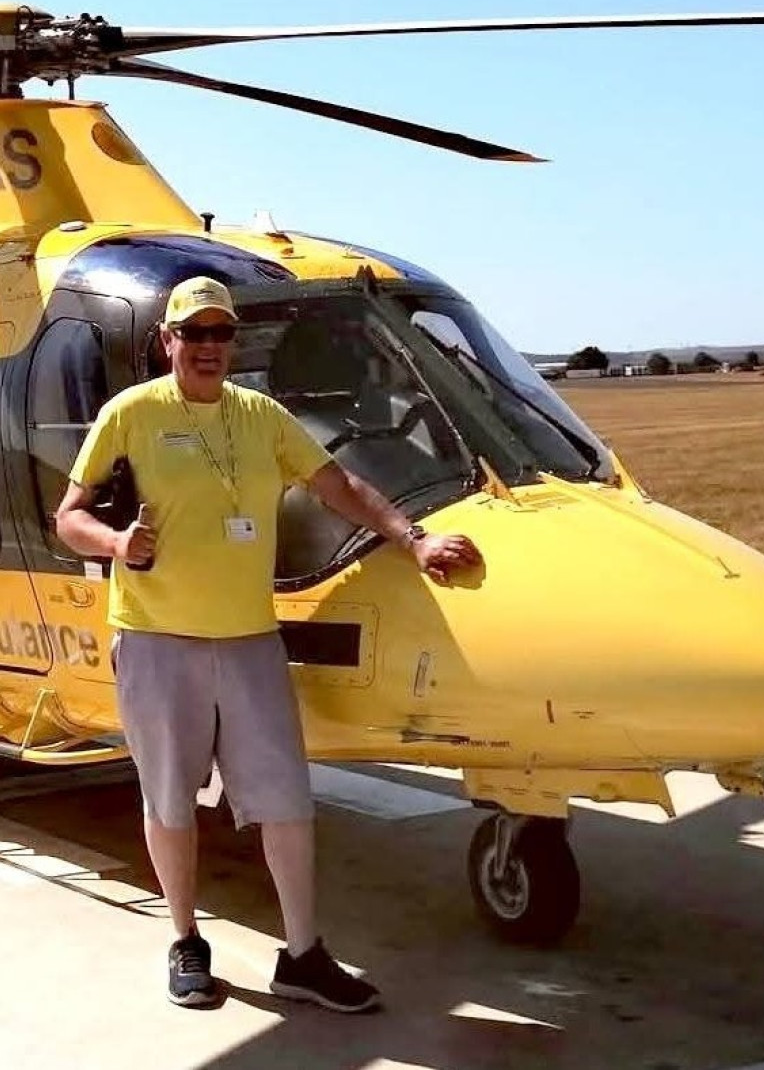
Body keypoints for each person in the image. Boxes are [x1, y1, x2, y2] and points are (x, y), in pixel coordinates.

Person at [55, 275, 482, 1013]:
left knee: (286, 799)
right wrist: (118, 544)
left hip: (250, 639)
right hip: (158, 640)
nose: (209, 346)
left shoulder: (260, 416)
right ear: (168, 342)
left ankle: (304, 954)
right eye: (195, 333)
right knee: (170, 801)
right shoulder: (131, 413)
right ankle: (186, 941)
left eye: (222, 333)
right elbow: (69, 515)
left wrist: (412, 539)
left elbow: (338, 485)